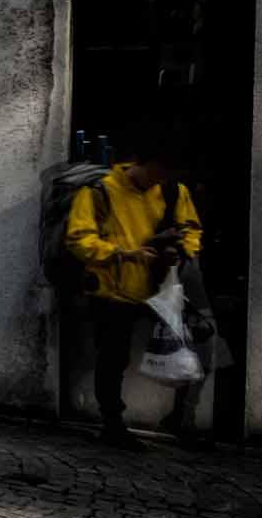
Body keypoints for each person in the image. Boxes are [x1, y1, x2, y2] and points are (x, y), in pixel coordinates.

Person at [65, 141, 203, 448]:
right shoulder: (99, 191)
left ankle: (182, 419)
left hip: (161, 288)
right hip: (113, 290)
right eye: (157, 172)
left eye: (167, 174)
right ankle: (112, 422)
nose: (160, 180)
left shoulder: (172, 190)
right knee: (114, 357)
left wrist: (180, 250)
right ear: (141, 161)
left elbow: (192, 229)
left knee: (191, 347)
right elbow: (78, 239)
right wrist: (125, 254)